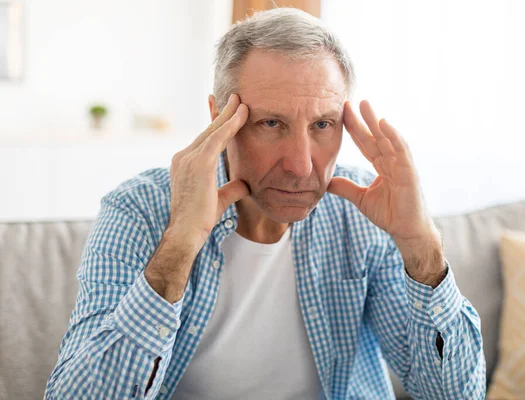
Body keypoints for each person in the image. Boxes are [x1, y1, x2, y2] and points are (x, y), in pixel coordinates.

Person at [45, 8, 485, 400]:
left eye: (322, 124)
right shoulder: (139, 210)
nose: (300, 164)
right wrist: (178, 247)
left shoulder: (365, 212)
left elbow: (454, 394)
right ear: (220, 117)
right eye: (271, 123)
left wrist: (421, 248)